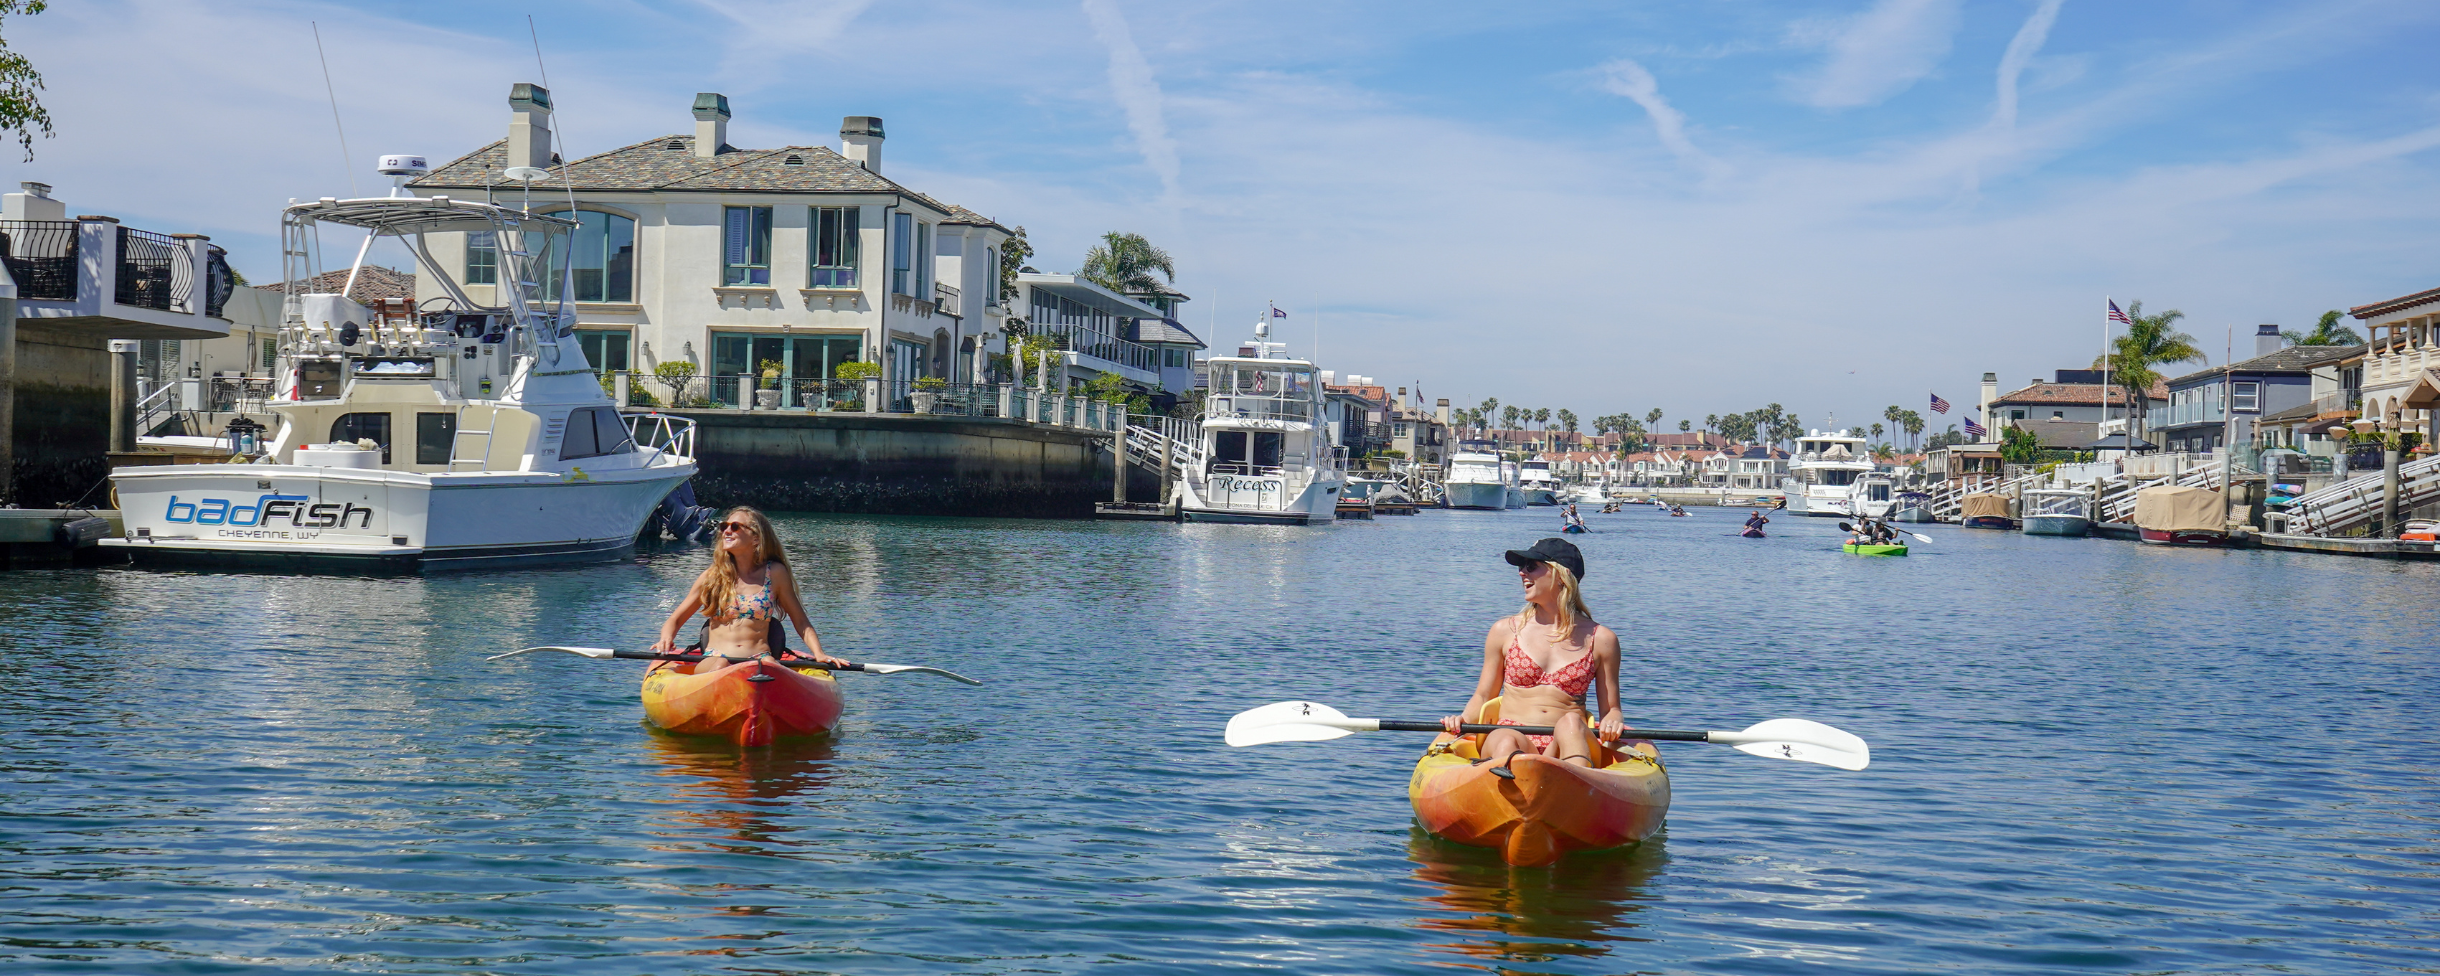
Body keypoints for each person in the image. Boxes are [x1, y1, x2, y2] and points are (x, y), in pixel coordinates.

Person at [1441, 537, 1626, 778]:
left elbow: (1611, 709)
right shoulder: (1504, 631)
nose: (1521, 573)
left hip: (1567, 740)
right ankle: (1510, 784)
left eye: (1531, 566)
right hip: (1512, 735)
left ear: (1561, 575)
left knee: (1570, 723)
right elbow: (1484, 695)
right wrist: (1461, 721)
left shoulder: (1602, 639)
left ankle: (1577, 789)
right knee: (1505, 737)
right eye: (1521, 567)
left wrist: (1613, 721)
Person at [651, 506, 847, 669]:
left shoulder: (775, 573)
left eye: (735, 527)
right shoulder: (712, 576)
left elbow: (801, 622)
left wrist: (818, 653)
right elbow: (675, 620)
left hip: (759, 658)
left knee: (770, 667)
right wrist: (665, 639)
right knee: (721, 664)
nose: (727, 531)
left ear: (756, 538)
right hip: (714, 659)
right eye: (724, 526)